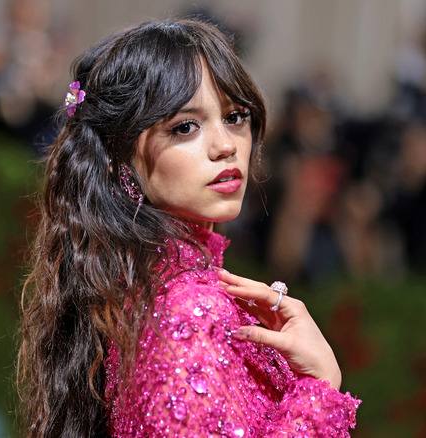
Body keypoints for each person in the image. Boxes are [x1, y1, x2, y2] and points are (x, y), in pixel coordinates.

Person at [18, 19, 360, 437]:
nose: (226, 144)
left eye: (235, 116)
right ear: (119, 156)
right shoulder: (187, 309)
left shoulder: (137, 290)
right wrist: (319, 390)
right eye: (185, 126)